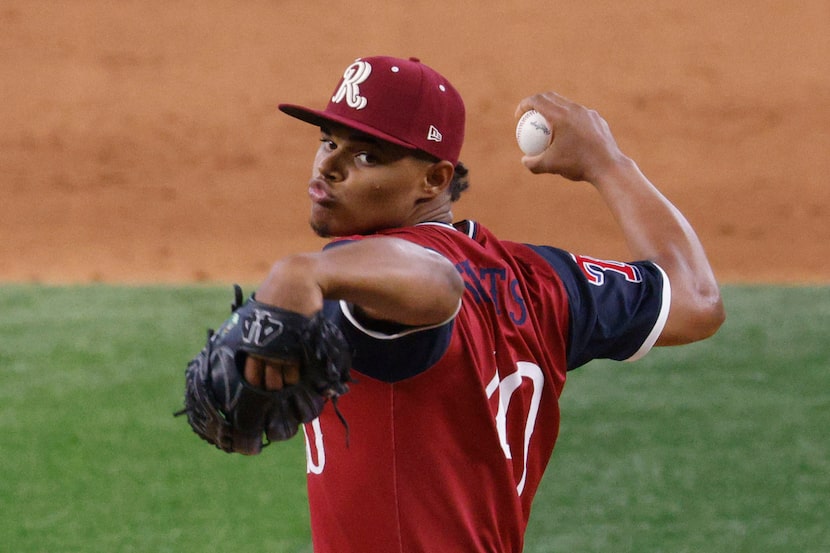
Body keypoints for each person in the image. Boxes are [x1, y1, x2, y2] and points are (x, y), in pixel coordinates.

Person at [243, 55, 724, 552]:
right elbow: (696, 299)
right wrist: (607, 163)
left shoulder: (361, 274)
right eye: (328, 142)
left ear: (435, 180)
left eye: (367, 156)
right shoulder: (543, 280)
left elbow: (437, 283)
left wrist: (303, 272)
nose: (329, 167)